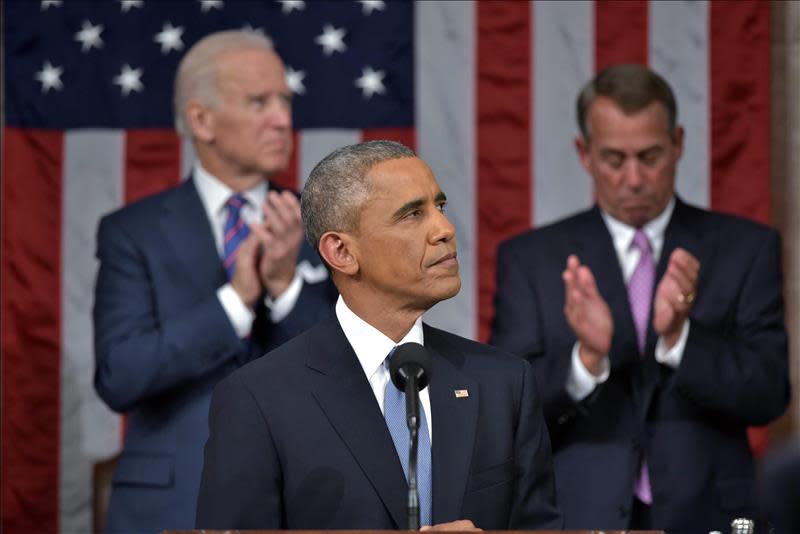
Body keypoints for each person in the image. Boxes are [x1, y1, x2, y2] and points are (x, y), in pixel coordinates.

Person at [195, 140, 562, 530]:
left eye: (439, 207)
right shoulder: (259, 399)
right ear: (341, 252)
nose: (445, 229)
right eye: (412, 215)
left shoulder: (503, 383)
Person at [490, 64, 790, 533]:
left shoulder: (745, 248)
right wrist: (587, 359)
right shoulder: (532, 259)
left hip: (708, 514)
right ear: (584, 153)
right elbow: (507, 409)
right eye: (614, 159)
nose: (633, 179)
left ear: (678, 144)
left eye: (649, 156)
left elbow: (769, 395)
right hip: (578, 515)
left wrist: (681, 337)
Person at [92, 30, 336, 534]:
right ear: (201, 120)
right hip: (172, 506)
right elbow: (120, 375)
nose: (283, 120)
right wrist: (238, 300)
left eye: (285, 101)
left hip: (304, 504)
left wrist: (287, 284)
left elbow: (349, 373)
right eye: (259, 102)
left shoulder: (323, 226)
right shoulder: (132, 233)